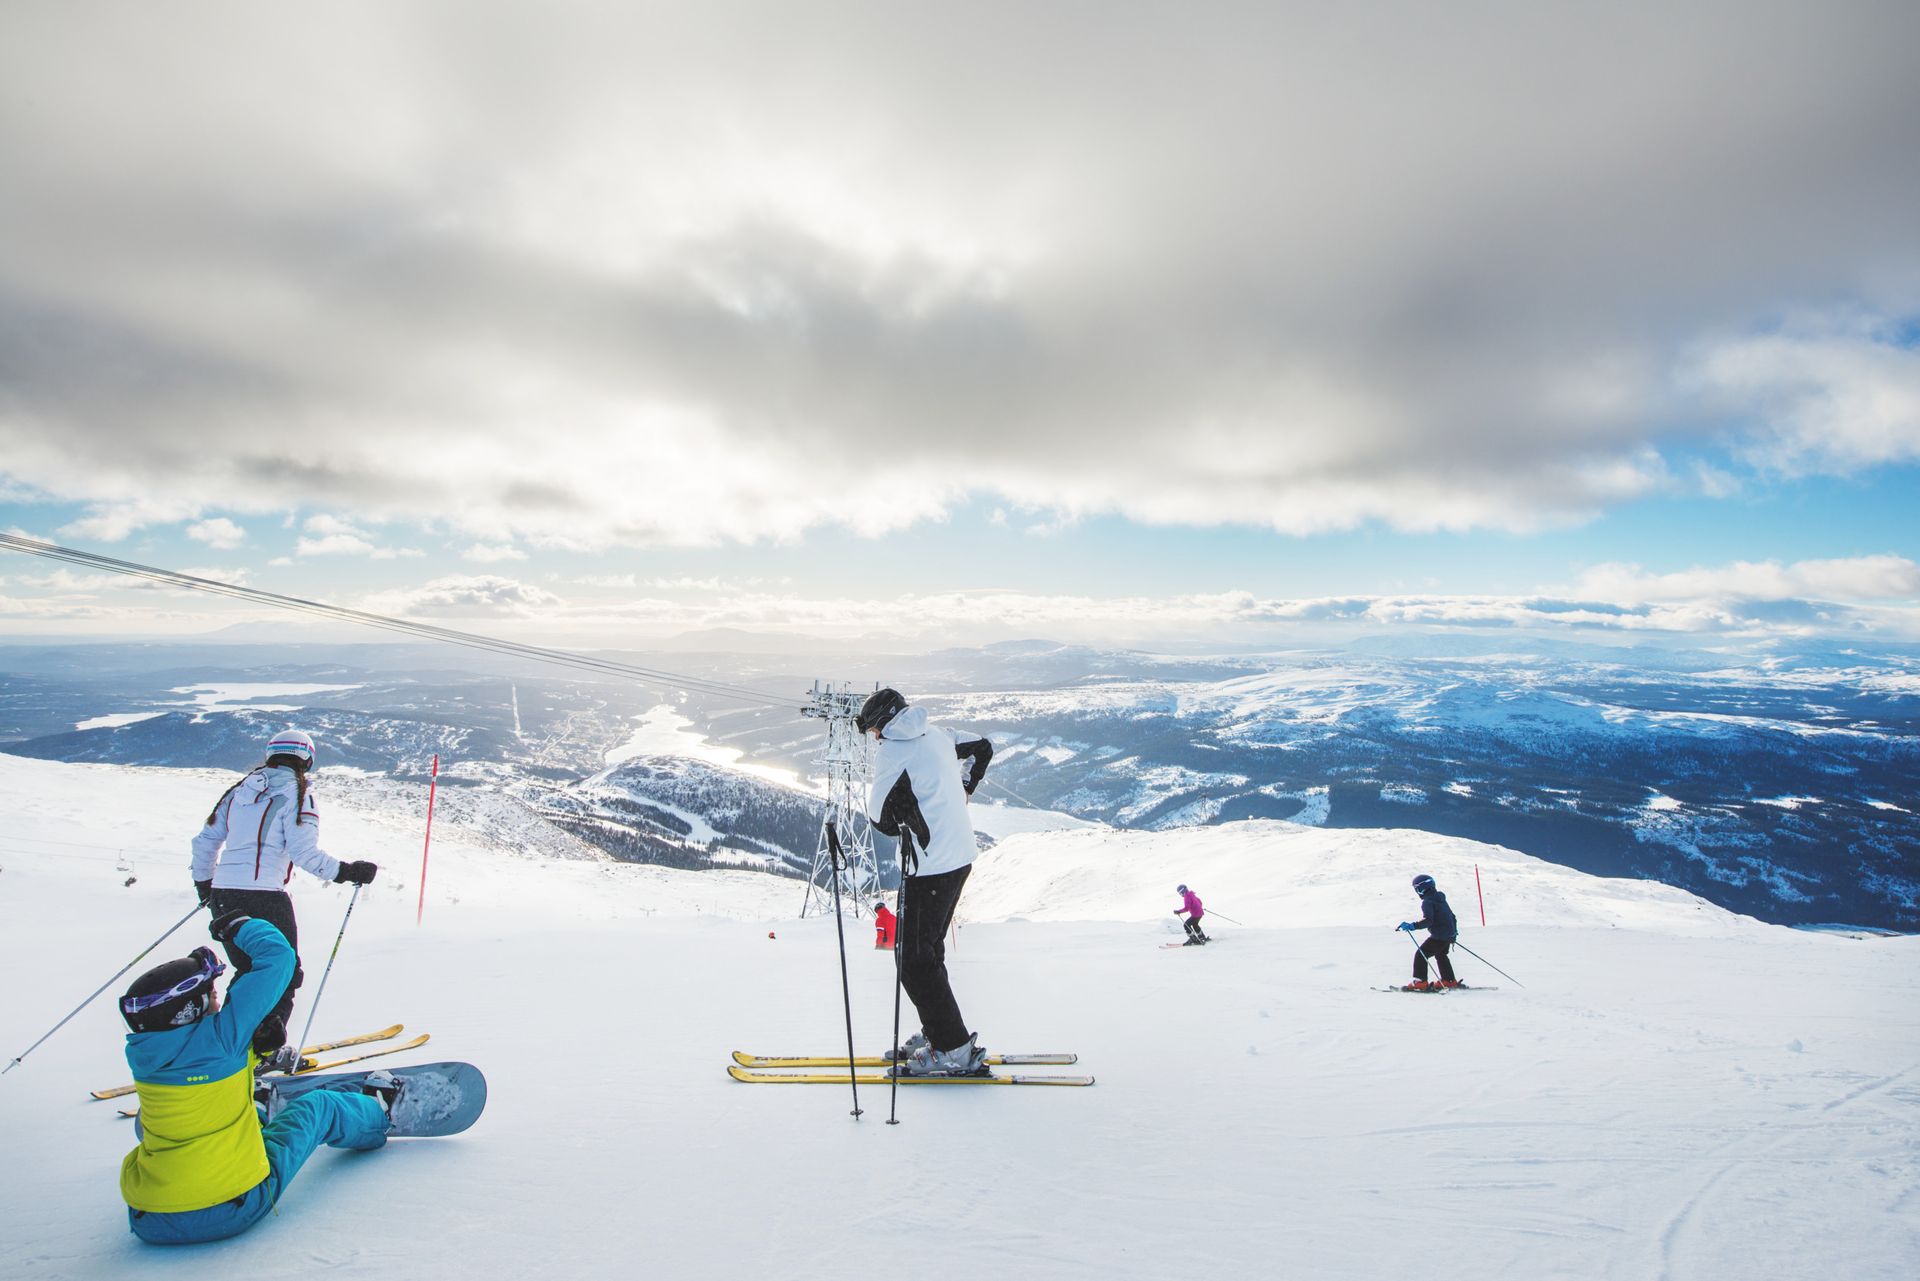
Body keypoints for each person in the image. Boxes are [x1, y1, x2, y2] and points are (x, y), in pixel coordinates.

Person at [119, 911, 397, 1245]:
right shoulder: (224, 1036)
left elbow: (200, 1069)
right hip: (234, 1207)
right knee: (318, 1107)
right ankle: (377, 1113)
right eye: (212, 995)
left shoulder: (142, 1052)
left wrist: (252, 1053)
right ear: (191, 1008)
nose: (218, 1001)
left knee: (176, 1118)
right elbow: (278, 959)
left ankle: (256, 1110)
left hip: (150, 1218)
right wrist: (239, 925)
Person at [190, 729, 377, 1064]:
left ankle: (232, 1046)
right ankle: (264, 1054)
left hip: (223, 894)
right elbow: (303, 853)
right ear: (307, 759)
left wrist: (206, 886)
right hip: (265, 898)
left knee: (248, 971)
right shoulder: (298, 793)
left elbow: (205, 842)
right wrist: (348, 871)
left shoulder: (238, 791)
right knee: (283, 974)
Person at [859, 688, 993, 1076]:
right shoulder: (937, 734)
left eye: (873, 731)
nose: (874, 738)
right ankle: (940, 1032)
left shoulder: (892, 752)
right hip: (960, 856)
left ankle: (953, 1048)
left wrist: (911, 821)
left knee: (913, 960)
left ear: (884, 723)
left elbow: (878, 817)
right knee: (927, 951)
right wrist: (965, 788)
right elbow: (982, 747)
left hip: (931, 866)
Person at [1397, 873, 1460, 989]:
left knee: (1421, 954)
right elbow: (1452, 917)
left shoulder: (1428, 902)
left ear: (1421, 889)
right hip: (1447, 935)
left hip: (1439, 936)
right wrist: (1453, 933)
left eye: (1417, 889)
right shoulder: (1440, 898)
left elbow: (1428, 921)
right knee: (1441, 955)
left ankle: (1420, 982)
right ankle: (1449, 980)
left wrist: (1412, 926)